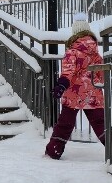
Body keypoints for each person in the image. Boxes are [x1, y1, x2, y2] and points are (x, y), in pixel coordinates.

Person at [45, 13, 106, 160]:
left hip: (73, 93)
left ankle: (54, 151)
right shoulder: (96, 53)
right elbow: (101, 75)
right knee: (101, 124)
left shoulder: (72, 52)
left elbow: (68, 72)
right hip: (93, 94)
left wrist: (61, 85)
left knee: (65, 125)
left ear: (75, 33)